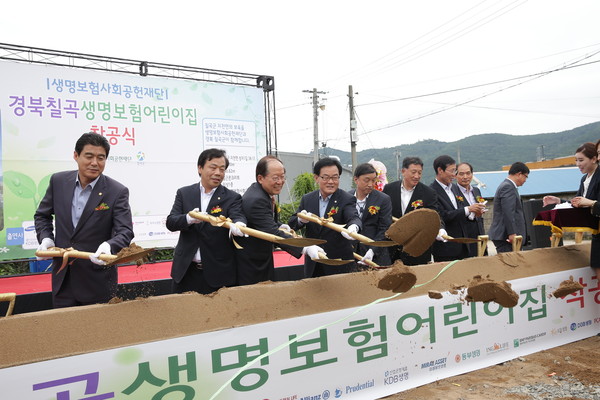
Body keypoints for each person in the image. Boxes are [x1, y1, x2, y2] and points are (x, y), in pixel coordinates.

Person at [34, 132, 134, 308]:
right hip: (63, 278)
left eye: (101, 158)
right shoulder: (58, 181)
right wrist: (46, 238)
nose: (95, 163)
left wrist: (109, 246)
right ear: (76, 155)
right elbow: (42, 215)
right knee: (64, 330)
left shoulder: (116, 191)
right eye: (89, 156)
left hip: (97, 280)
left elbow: (125, 231)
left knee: (97, 333)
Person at [166, 148, 247, 294]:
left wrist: (240, 224)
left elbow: (238, 216)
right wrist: (188, 219)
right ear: (200, 168)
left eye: (222, 169)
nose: (218, 173)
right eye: (213, 167)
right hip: (186, 272)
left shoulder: (232, 197)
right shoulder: (184, 193)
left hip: (217, 274)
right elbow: (171, 222)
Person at [237, 155, 321, 285]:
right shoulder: (257, 199)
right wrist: (304, 247)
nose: (280, 181)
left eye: (282, 177)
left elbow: (265, 221)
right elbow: (272, 233)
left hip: (260, 259)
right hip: (252, 264)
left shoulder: (261, 192)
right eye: (275, 178)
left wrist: (280, 225)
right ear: (260, 178)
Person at [288, 157, 362, 277]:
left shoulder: (346, 198)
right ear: (316, 178)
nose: (331, 182)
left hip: (339, 264)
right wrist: (300, 220)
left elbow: (353, 216)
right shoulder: (307, 199)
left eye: (335, 177)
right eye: (326, 177)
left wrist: (354, 227)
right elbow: (291, 224)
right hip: (314, 262)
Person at [543, 142, 599, 270]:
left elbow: (589, 204)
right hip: (596, 235)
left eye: (581, 160)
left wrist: (590, 203)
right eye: (576, 160)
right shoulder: (584, 179)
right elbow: (577, 203)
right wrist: (558, 201)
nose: (578, 164)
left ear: (594, 159)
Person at [382, 156, 445, 265]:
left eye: (419, 173)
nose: (417, 176)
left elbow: (435, 215)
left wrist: (439, 229)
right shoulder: (389, 189)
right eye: (413, 172)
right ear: (403, 171)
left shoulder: (428, 193)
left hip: (417, 249)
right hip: (392, 247)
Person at [349, 163, 393, 266]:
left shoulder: (383, 199)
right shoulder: (347, 197)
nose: (370, 184)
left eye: (373, 180)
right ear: (356, 179)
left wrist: (373, 250)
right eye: (366, 180)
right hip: (352, 255)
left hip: (376, 256)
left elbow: (385, 228)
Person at [488, 161, 530, 253]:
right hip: (506, 236)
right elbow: (508, 212)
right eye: (525, 176)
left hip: (507, 236)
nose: (525, 180)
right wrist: (511, 233)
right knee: (510, 264)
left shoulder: (508, 186)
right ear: (519, 174)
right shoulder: (508, 187)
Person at [455, 162, 487, 257]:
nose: (465, 177)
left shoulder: (476, 190)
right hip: (464, 236)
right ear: (455, 175)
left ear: (472, 174)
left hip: (479, 233)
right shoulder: (453, 191)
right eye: (461, 174)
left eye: (468, 173)